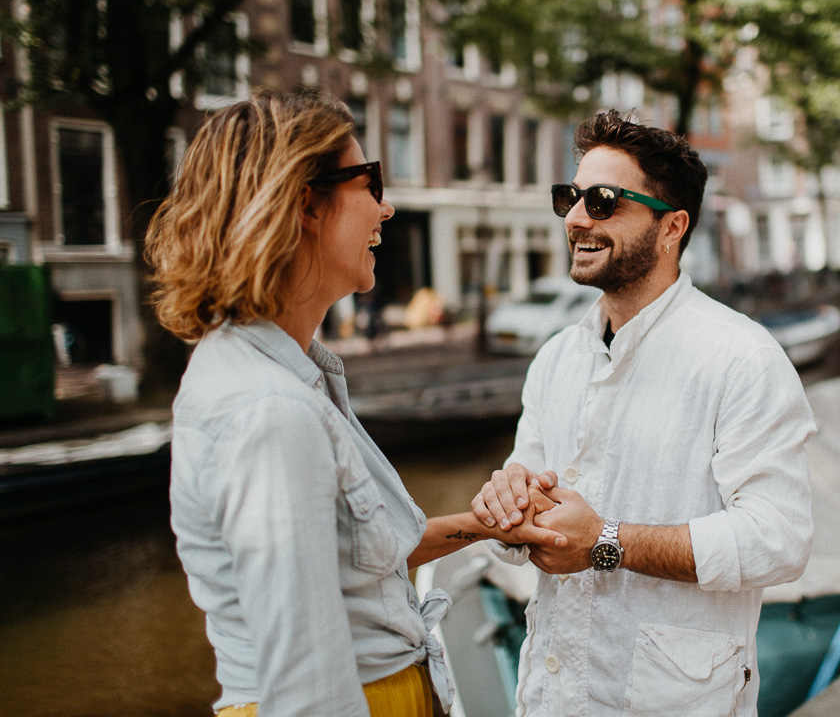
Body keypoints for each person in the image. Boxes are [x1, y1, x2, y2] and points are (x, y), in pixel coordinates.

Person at [145, 89, 562, 717]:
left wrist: (490, 525)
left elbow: (362, 554)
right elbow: (307, 686)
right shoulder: (270, 412)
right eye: (370, 181)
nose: (387, 206)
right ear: (305, 203)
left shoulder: (290, 373)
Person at [472, 110, 816, 716]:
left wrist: (606, 542)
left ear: (671, 228)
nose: (577, 217)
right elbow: (527, 488)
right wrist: (508, 503)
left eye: (603, 200)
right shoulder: (555, 359)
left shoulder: (741, 358)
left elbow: (779, 540)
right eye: (571, 197)